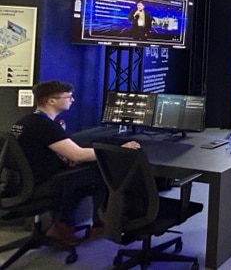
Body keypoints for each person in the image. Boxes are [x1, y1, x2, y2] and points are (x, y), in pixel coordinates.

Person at [10, 80, 141, 246]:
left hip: (24, 183)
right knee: (102, 173)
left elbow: (44, 153)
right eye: (69, 97)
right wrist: (115, 150)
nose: (72, 100)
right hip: (42, 184)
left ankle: (63, 224)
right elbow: (78, 155)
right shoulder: (46, 126)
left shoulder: (25, 121)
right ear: (51, 101)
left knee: (82, 174)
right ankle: (98, 226)